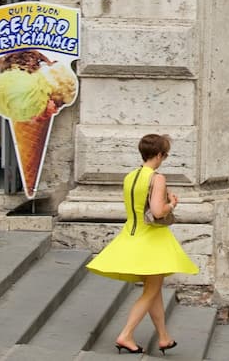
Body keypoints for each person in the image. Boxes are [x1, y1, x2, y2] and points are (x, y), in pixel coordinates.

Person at [86, 134, 199, 354]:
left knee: (153, 290)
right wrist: (172, 204)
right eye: (165, 155)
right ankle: (126, 334)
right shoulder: (157, 178)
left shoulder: (130, 176)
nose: (164, 159)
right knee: (151, 291)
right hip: (152, 241)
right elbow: (157, 211)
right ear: (159, 155)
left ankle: (164, 337)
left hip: (131, 235)